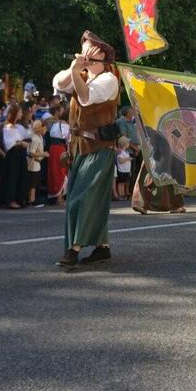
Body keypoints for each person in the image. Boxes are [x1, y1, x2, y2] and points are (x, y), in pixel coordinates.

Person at [54, 31, 121, 270]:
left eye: (90, 48)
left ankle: (73, 249)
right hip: (80, 149)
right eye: (83, 47)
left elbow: (85, 98)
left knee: (81, 199)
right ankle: (102, 247)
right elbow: (58, 83)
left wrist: (76, 71)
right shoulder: (82, 74)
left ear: (102, 54)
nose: (84, 51)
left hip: (100, 148)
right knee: (92, 199)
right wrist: (75, 67)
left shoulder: (109, 80)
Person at [0, 103, 31, 209]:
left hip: (20, 154)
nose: (21, 114)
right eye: (20, 112)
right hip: (13, 154)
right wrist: (21, 143)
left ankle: (20, 199)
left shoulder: (18, 126)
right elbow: (9, 143)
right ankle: (10, 200)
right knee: (12, 177)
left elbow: (26, 136)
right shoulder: (8, 127)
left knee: (21, 176)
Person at [46, 105, 70, 206]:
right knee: (61, 172)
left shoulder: (55, 124)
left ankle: (56, 196)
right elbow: (68, 140)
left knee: (54, 172)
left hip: (52, 149)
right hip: (60, 149)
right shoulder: (65, 126)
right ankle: (59, 198)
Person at [26, 118, 47, 207]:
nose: (46, 129)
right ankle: (32, 200)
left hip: (38, 162)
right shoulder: (35, 138)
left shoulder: (40, 137)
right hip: (33, 162)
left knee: (35, 182)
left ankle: (33, 199)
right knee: (33, 183)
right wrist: (43, 154)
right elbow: (31, 152)